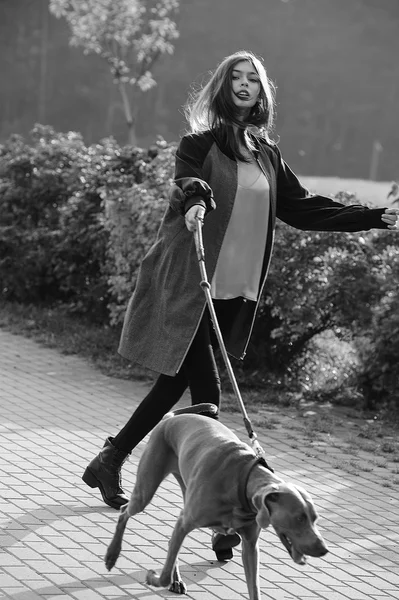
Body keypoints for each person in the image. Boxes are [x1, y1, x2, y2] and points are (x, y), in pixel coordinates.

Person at [83, 50, 399, 560]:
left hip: (236, 291)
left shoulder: (267, 154)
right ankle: (224, 519)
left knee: (177, 385)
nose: (247, 84)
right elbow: (190, 183)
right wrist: (195, 203)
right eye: (237, 77)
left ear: (263, 91)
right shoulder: (199, 145)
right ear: (222, 87)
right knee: (207, 400)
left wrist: (373, 216)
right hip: (192, 285)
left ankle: (111, 457)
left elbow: (303, 208)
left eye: (254, 78)